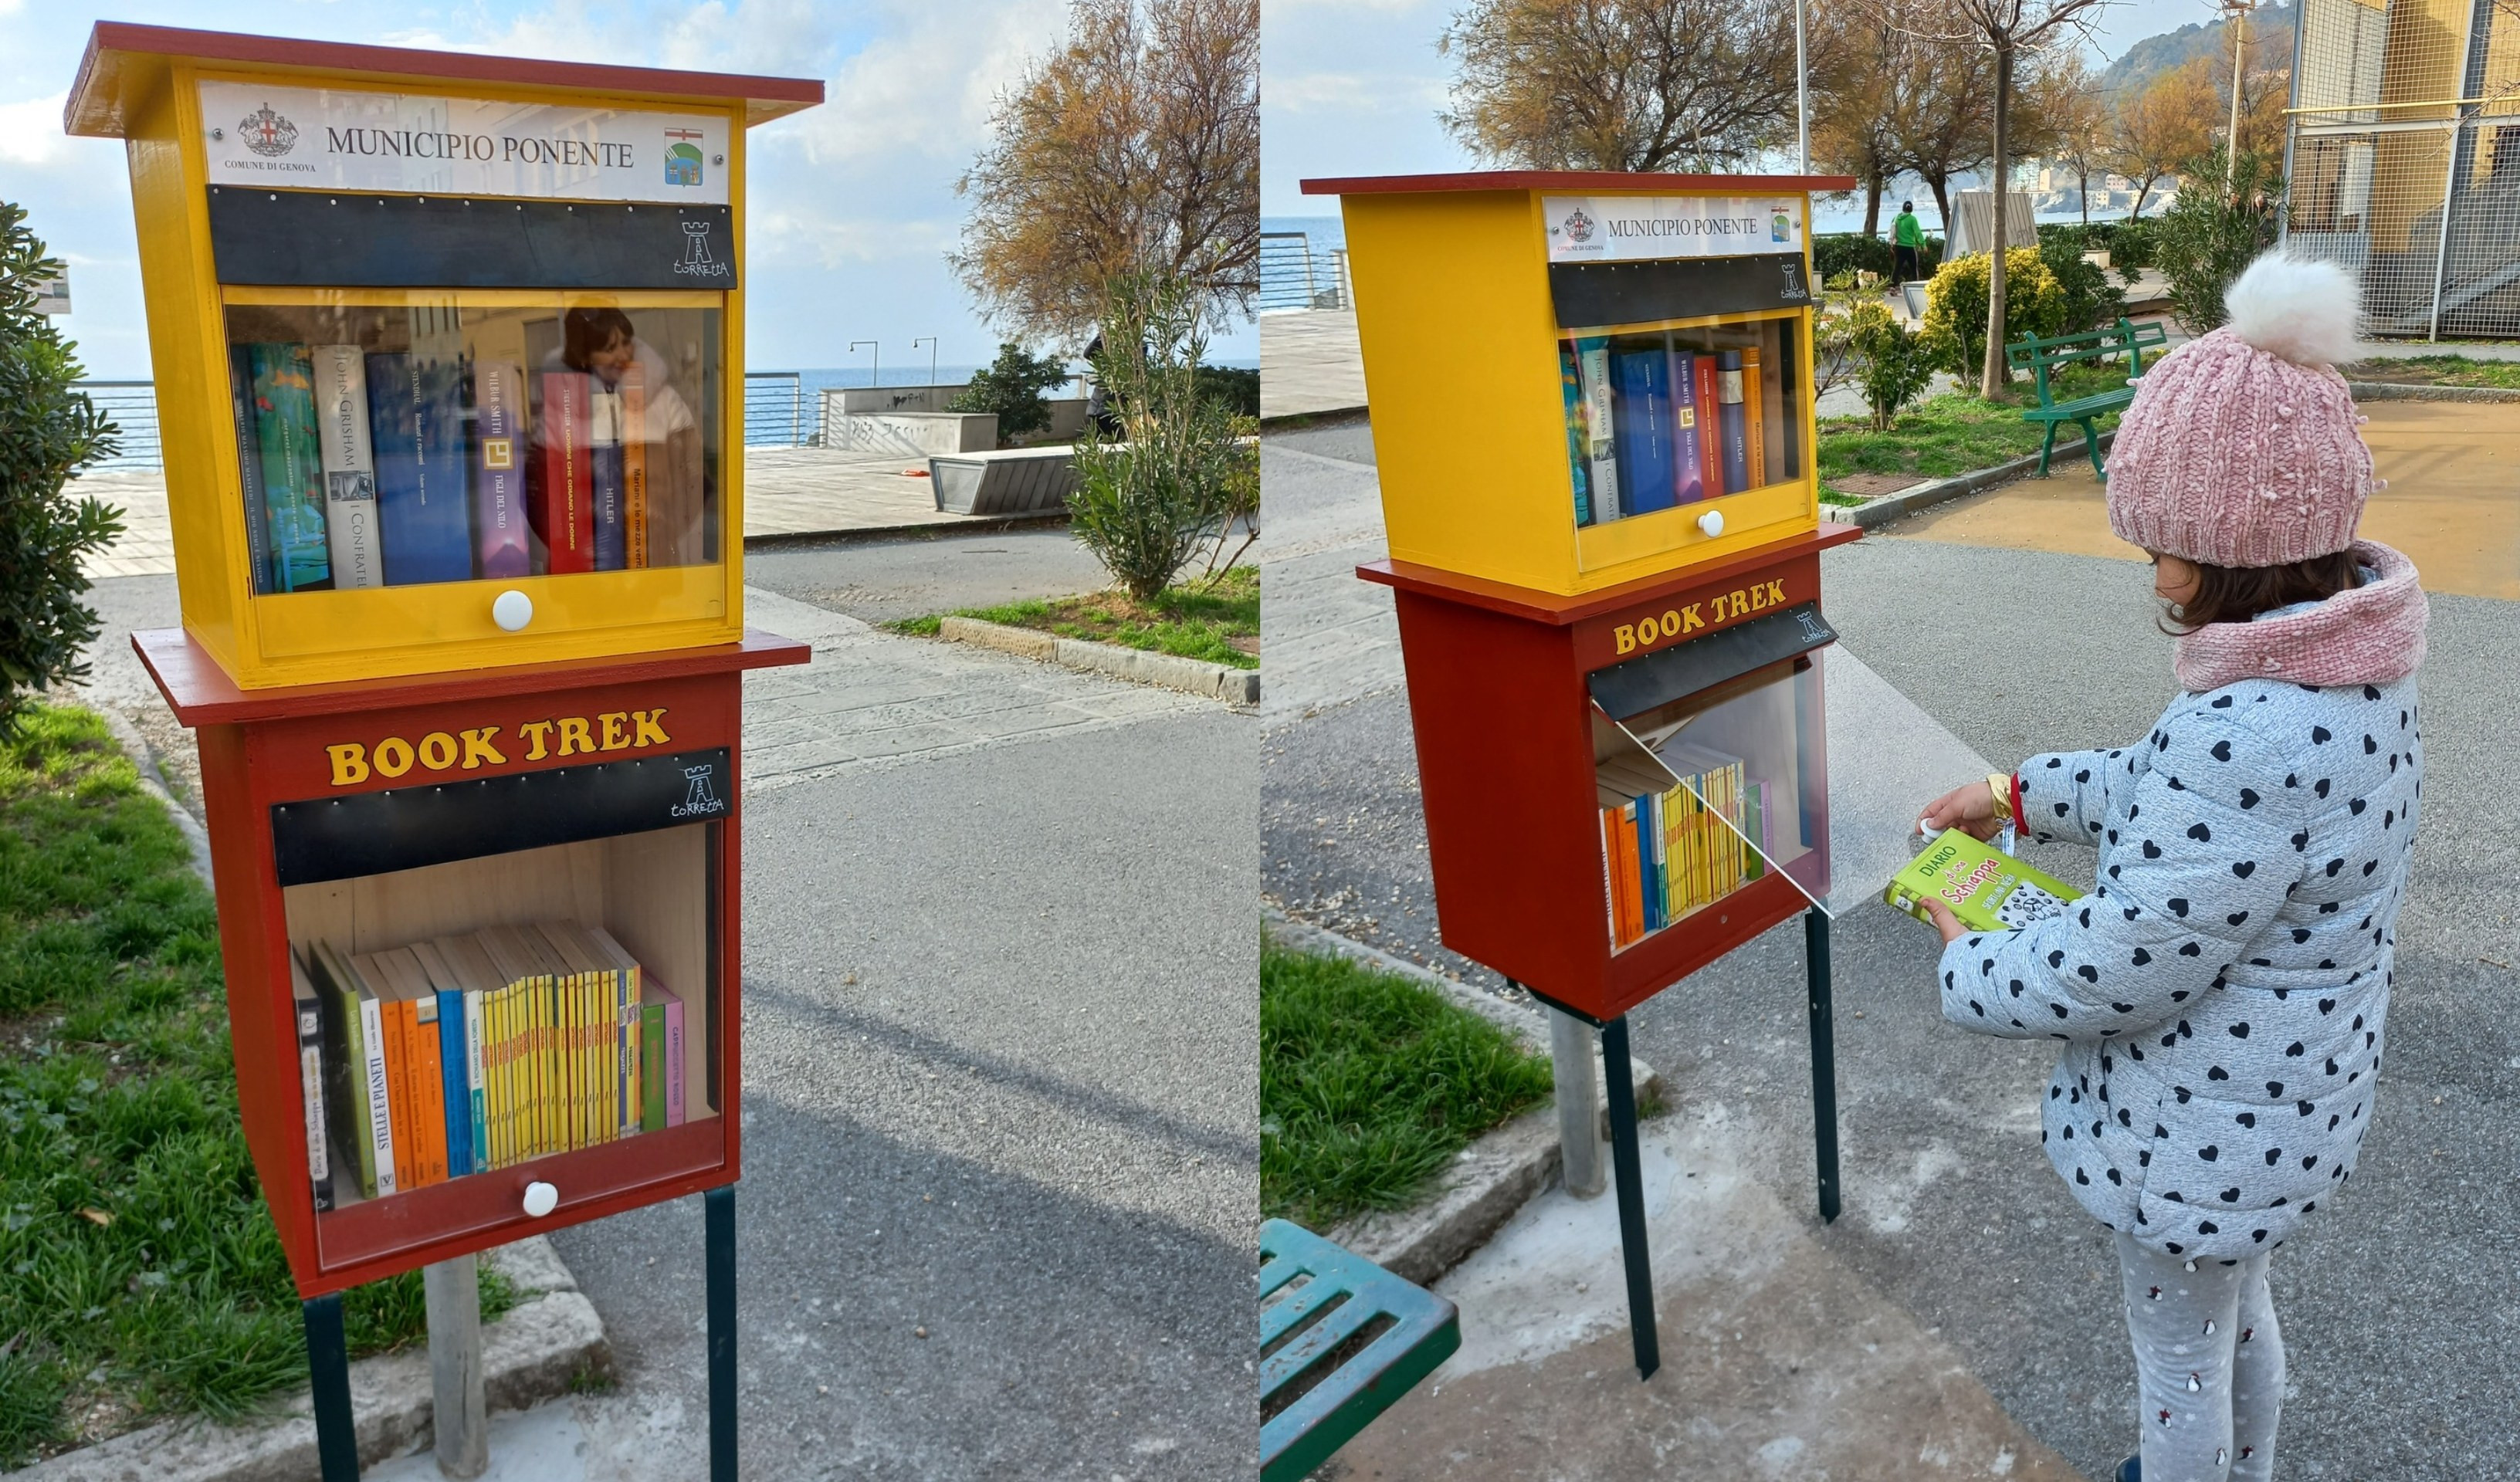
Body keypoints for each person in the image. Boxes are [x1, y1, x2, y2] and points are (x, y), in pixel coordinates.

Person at [1912, 252, 2426, 1482]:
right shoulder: (2341, 673)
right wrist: (2017, 792)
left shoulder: (2246, 725)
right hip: (2278, 1113)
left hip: (2198, 1135)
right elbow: (2165, 783)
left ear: (2222, 550)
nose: (2148, 570)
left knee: (2175, 1360)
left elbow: (2118, 967)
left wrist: (1970, 952)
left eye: (2158, 545)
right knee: (2236, 1315)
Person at [1892, 201, 1924, 285]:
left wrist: (1892, 244)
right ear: (1911, 210)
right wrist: (1923, 245)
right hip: (1910, 247)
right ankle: (1915, 286)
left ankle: (1893, 286)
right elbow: (1917, 233)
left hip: (1898, 247)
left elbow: (1892, 232)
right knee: (1914, 269)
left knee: (1897, 268)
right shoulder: (1912, 219)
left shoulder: (1896, 218)